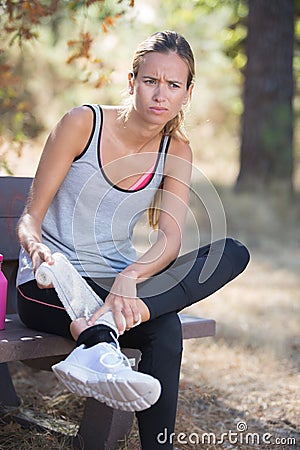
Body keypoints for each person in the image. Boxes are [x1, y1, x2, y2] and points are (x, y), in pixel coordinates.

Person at [16, 30, 250, 450]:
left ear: (187, 93)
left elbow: (170, 240)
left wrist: (131, 276)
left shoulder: (175, 149)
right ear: (132, 82)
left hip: (118, 287)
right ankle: (103, 332)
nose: (161, 95)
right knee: (166, 327)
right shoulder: (82, 124)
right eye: (151, 81)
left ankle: (105, 334)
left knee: (231, 254)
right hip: (53, 282)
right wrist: (36, 249)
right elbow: (30, 218)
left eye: (173, 85)